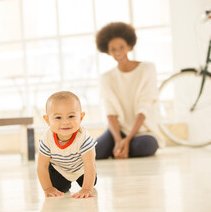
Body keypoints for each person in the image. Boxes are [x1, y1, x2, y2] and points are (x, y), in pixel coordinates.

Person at [95, 22, 165, 160]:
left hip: (144, 132)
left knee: (143, 146)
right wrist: (118, 140)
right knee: (95, 152)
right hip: (118, 131)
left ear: (129, 46)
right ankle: (119, 148)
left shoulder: (147, 69)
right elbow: (110, 113)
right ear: (108, 52)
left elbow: (143, 108)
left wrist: (127, 140)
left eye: (122, 47)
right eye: (113, 49)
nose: (118, 52)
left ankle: (122, 149)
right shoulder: (106, 78)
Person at [37, 91, 97, 198]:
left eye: (71, 116)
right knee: (59, 188)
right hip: (59, 169)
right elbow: (42, 165)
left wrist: (86, 189)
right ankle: (60, 182)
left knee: (92, 182)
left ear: (81, 117)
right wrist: (48, 188)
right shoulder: (47, 138)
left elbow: (90, 165)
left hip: (81, 169)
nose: (65, 122)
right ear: (47, 120)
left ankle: (86, 183)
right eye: (58, 118)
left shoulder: (83, 138)